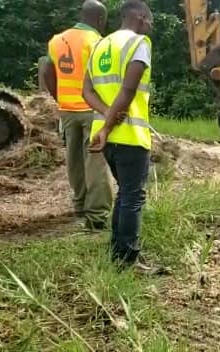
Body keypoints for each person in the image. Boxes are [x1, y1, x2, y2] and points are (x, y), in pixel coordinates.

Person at [82, 0, 159, 273]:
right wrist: (110, 123)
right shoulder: (139, 44)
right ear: (139, 17)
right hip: (129, 135)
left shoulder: (99, 46)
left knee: (124, 196)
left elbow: (87, 92)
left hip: (105, 139)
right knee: (132, 197)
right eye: (149, 20)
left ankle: (118, 253)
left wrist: (104, 118)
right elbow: (127, 91)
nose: (150, 25)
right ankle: (128, 261)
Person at [44, 0, 113, 231]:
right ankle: (97, 215)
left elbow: (47, 71)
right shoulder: (98, 42)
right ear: (100, 20)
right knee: (95, 161)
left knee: (74, 161)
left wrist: (60, 98)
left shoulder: (56, 41)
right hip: (92, 110)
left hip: (67, 111)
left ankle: (80, 205)